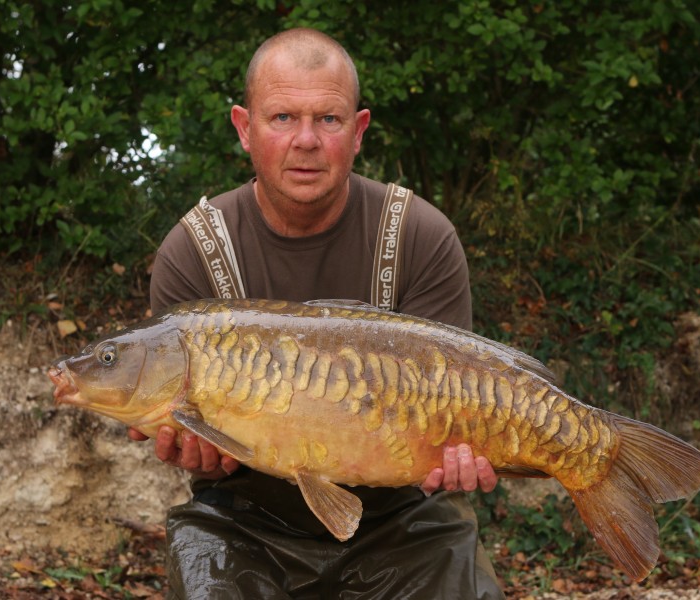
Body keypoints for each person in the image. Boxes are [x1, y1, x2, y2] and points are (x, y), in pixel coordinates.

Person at [131, 28, 505, 599]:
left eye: (327, 120)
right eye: (282, 117)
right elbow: (201, 458)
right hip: (247, 522)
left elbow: (458, 404)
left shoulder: (419, 235)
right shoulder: (192, 250)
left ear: (357, 133)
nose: (305, 140)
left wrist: (462, 452)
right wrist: (201, 456)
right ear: (244, 128)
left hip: (405, 518)